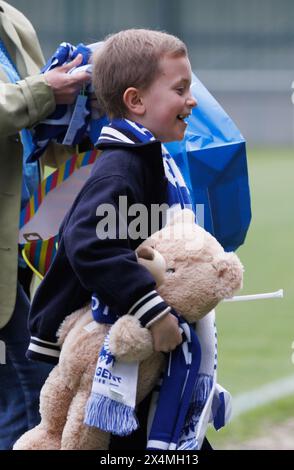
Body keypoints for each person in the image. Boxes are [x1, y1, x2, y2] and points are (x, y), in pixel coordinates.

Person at [25, 28, 213, 449]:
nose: (192, 100)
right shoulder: (122, 166)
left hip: (131, 345)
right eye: (180, 89)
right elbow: (89, 242)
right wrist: (155, 312)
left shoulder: (148, 157)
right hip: (108, 351)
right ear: (136, 101)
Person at [0, 0, 90, 450]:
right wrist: (45, 91)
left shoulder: (12, 19)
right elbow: (34, 96)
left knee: (19, 389)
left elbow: (38, 123)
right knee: (28, 388)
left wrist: (81, 102)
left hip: (18, 234)